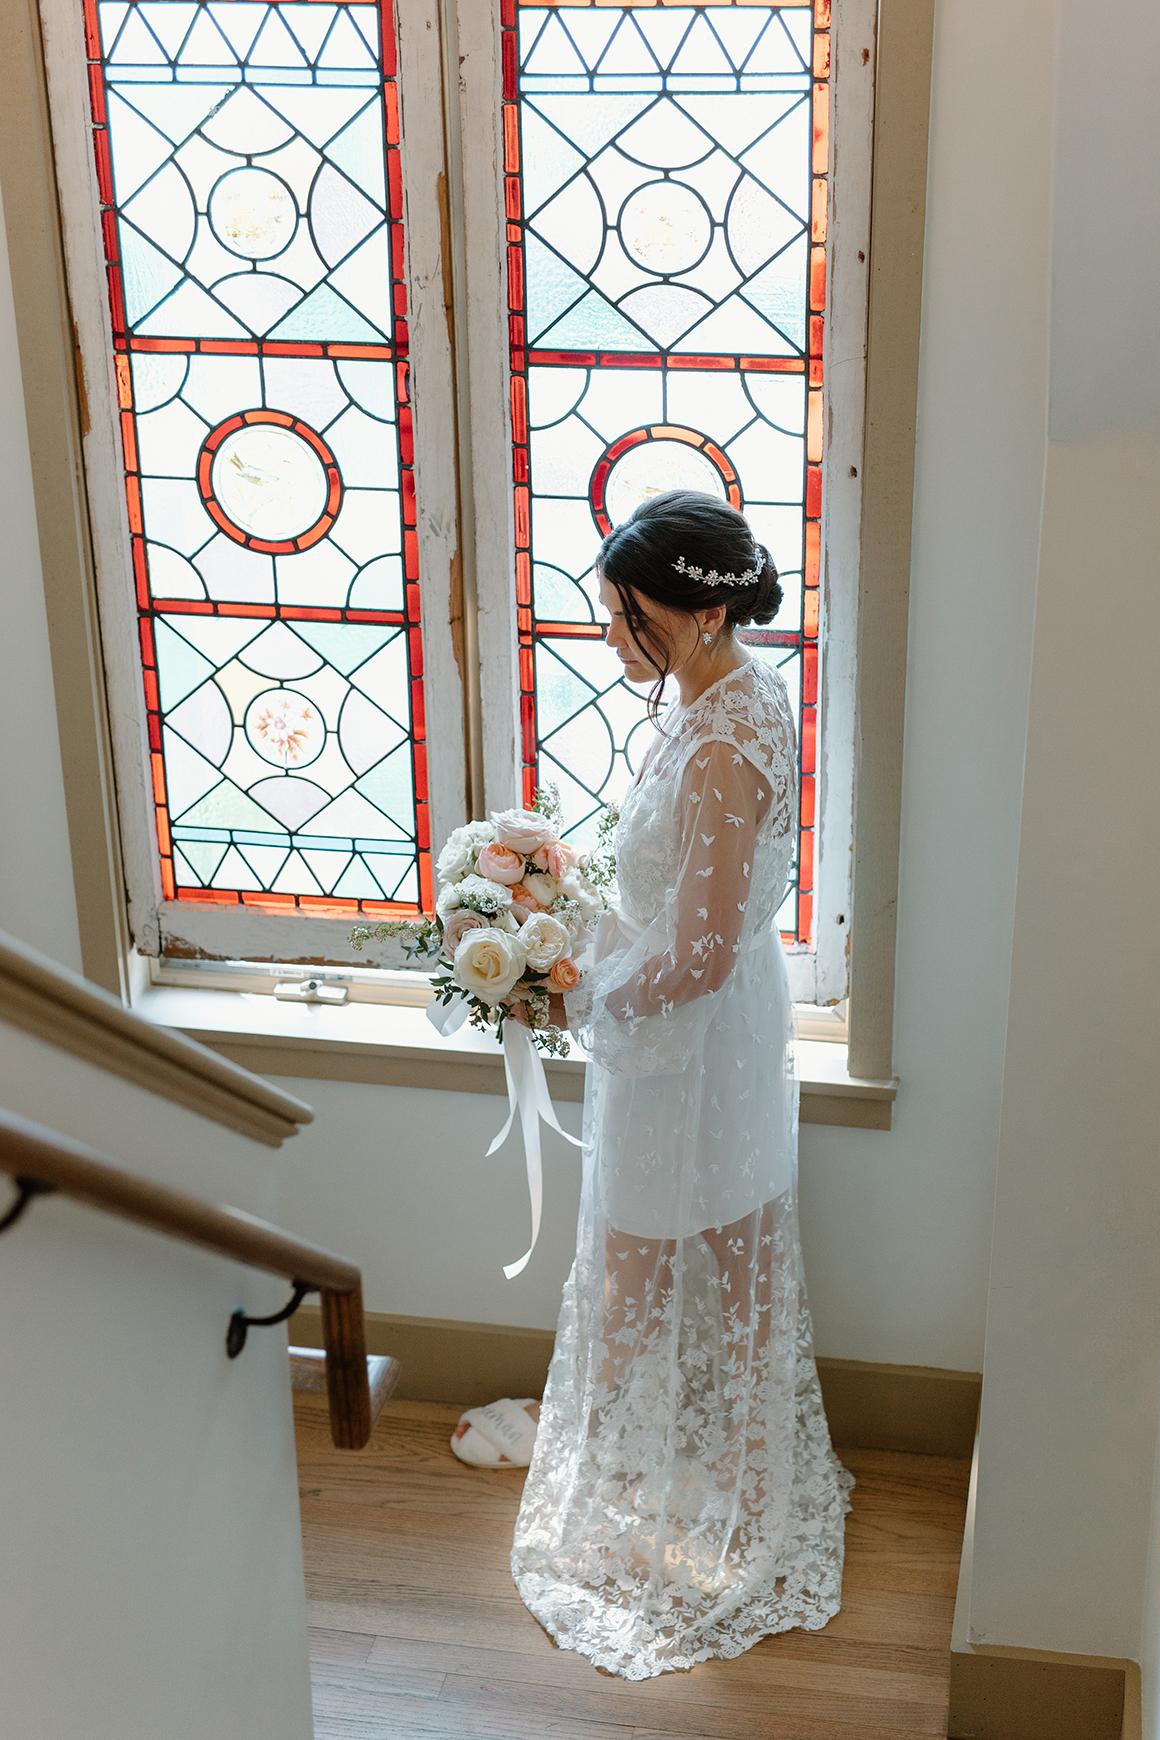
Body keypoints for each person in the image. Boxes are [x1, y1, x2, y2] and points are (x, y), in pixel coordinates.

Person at [452, 488, 855, 1680]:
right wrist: (566, 911)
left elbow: (698, 954)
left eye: (623, 613)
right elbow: (678, 902)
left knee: (644, 1246)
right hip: (701, 1034)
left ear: (680, 612)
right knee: (717, 1245)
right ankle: (698, 1451)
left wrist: (563, 995)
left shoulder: (727, 738)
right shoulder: (727, 693)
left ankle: (624, 1456)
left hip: (688, 1043)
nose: (610, 634)